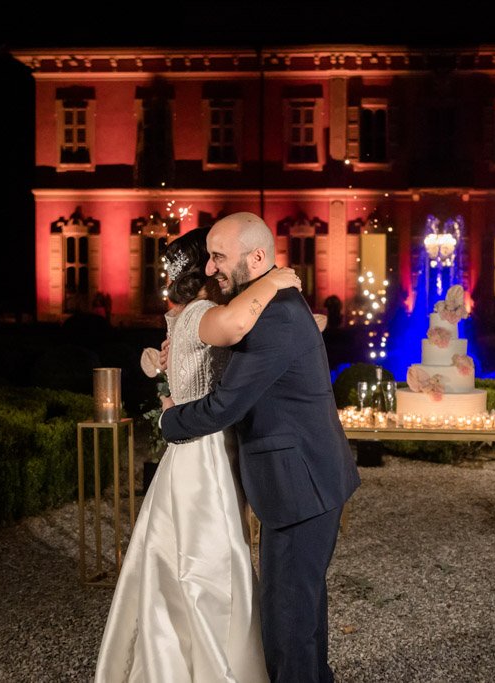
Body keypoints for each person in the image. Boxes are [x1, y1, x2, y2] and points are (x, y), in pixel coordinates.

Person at [160, 212, 361, 683]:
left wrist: (170, 419)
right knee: (299, 615)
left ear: (256, 258)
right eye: (208, 258)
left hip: (301, 487)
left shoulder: (277, 316)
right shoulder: (269, 305)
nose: (210, 269)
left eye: (218, 257)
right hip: (301, 482)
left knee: (286, 626)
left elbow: (226, 405)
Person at [95, 227, 302, 682]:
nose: (216, 266)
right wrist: (274, 280)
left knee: (179, 560)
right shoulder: (206, 313)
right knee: (207, 566)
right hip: (204, 452)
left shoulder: (180, 315)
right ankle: (212, 665)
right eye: (210, 258)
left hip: (191, 448)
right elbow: (233, 326)